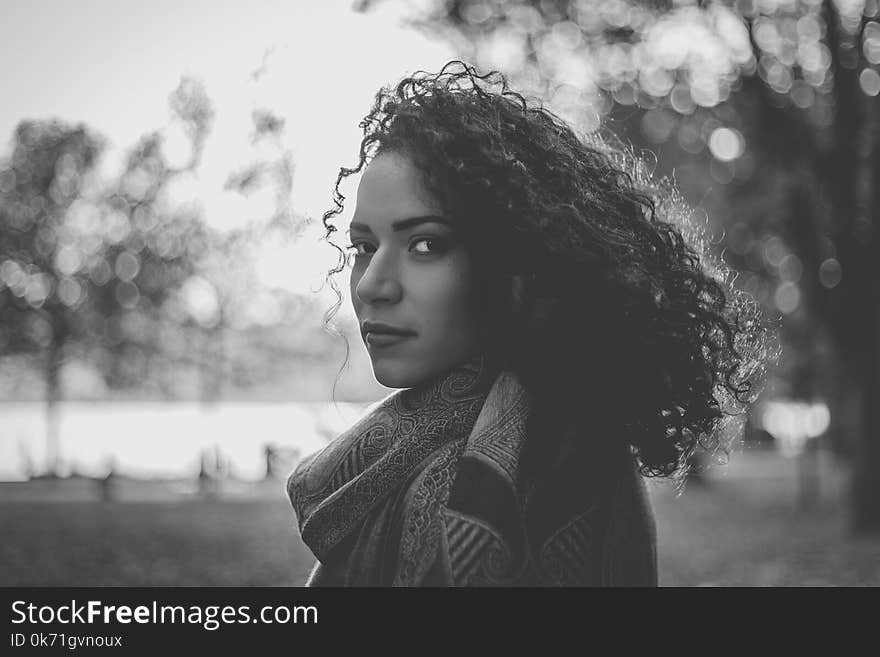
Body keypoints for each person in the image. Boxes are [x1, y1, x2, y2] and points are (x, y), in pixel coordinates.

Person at [287, 61, 768, 586]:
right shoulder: (541, 429)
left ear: (515, 265)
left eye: (425, 244)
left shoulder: (511, 478)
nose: (371, 284)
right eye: (364, 247)